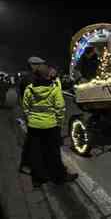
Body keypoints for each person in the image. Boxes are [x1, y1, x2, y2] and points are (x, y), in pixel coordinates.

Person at [22, 56, 78, 187]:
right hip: (51, 126)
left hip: (34, 126)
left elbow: (26, 107)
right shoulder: (53, 90)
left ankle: (37, 179)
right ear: (47, 77)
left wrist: (31, 119)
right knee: (53, 153)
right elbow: (60, 108)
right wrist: (59, 123)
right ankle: (59, 177)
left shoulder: (29, 89)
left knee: (36, 153)